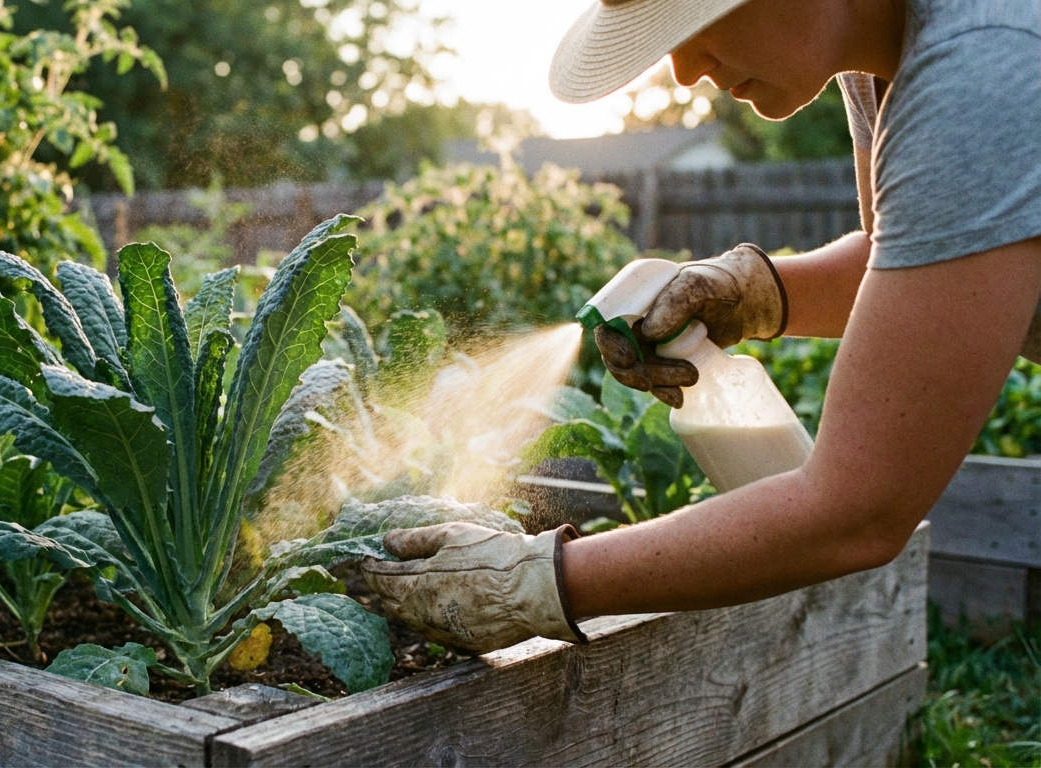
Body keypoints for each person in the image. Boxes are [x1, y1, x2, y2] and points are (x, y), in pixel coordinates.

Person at [361, 0, 1041, 653]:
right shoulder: (882, 65)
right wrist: (750, 292)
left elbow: (857, 512)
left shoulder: (982, 68)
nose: (683, 69)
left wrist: (534, 582)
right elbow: (943, 258)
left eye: (698, 13)